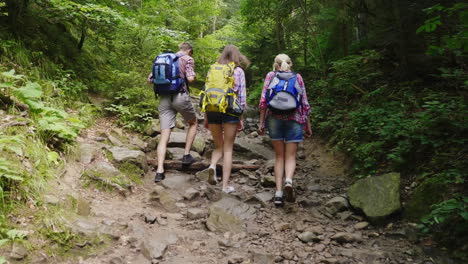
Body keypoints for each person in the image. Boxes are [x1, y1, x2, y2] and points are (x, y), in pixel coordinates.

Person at [258, 54, 312, 207]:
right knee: (291, 156)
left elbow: (263, 100)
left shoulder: (270, 75)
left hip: (274, 118)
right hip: (295, 118)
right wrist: (308, 125)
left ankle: (278, 193)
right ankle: (288, 179)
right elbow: (304, 102)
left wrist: (261, 123)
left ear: (275, 64)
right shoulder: (298, 77)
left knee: (279, 156)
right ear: (291, 64)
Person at [147, 42, 198, 182]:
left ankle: (159, 171)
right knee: (193, 123)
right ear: (189, 50)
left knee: (164, 134)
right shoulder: (187, 59)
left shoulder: (165, 59)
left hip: (164, 98)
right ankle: (186, 155)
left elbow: (149, 80)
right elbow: (190, 78)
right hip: (180, 96)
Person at [203, 45, 250, 193]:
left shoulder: (213, 68)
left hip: (212, 110)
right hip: (231, 111)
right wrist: (240, 117)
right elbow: (242, 98)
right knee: (228, 149)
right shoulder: (238, 71)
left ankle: (212, 165)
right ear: (237, 56)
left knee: (218, 146)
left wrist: (205, 116)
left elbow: (206, 93)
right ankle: (224, 186)